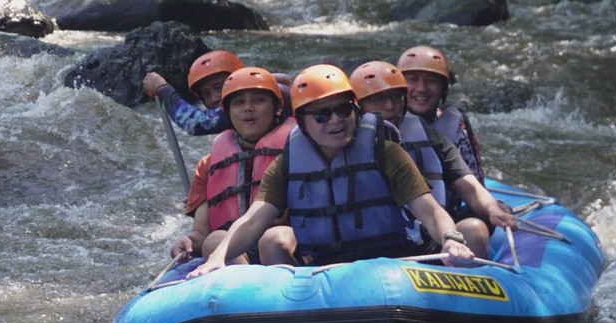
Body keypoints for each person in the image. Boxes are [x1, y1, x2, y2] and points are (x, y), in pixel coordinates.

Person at [188, 64, 475, 278]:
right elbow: (253, 220)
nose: (336, 121)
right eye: (322, 115)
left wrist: (451, 238)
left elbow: (428, 208)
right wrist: (219, 256)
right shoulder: (287, 164)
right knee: (269, 241)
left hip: (394, 259)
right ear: (301, 122)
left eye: (342, 110)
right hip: (328, 264)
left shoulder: (385, 152)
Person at [350, 60, 515, 259]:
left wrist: (491, 208)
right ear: (358, 106)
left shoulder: (426, 135)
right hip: (363, 252)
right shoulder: (340, 143)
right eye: (377, 99)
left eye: (396, 97)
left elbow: (467, 184)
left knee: (474, 229)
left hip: (423, 241)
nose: (390, 106)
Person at [171, 67, 296, 264]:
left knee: (273, 240)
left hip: (286, 242)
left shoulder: (298, 148)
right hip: (236, 251)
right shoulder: (208, 165)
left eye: (258, 100)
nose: (248, 108)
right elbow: (201, 234)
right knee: (214, 241)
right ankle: (246, 292)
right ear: (228, 113)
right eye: (239, 102)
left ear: (277, 108)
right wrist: (188, 241)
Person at [396, 45, 485, 181]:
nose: (422, 88)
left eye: (431, 81)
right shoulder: (388, 127)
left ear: (443, 88)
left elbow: (476, 180)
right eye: (413, 79)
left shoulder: (458, 129)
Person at [143, 50, 243, 136]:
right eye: (207, 94)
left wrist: (162, 89)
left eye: (219, 87)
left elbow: (194, 122)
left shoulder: (248, 108)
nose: (214, 98)